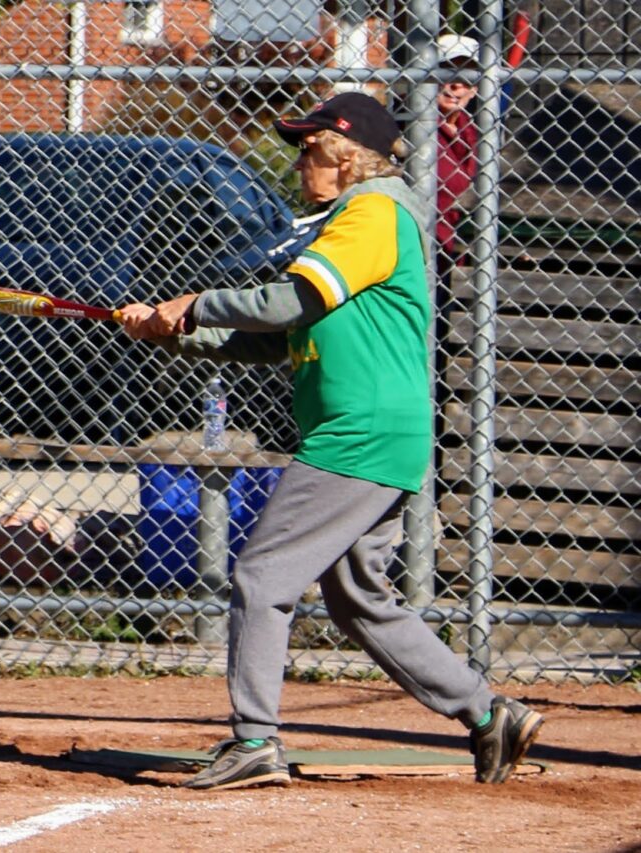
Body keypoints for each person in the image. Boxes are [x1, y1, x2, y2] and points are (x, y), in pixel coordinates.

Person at [120, 92, 543, 791]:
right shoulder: (351, 222)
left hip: (360, 433)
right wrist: (178, 331)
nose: (298, 161)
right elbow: (288, 335)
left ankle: (254, 740)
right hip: (377, 432)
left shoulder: (374, 210)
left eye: (309, 148)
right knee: (357, 597)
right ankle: (490, 713)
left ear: (346, 156)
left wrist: (193, 303)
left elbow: (287, 301)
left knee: (261, 577)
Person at [435, 34, 481, 281]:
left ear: (474, 89)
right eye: (447, 72)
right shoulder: (406, 124)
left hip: (454, 257)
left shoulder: (471, 132)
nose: (457, 85)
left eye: (467, 77)